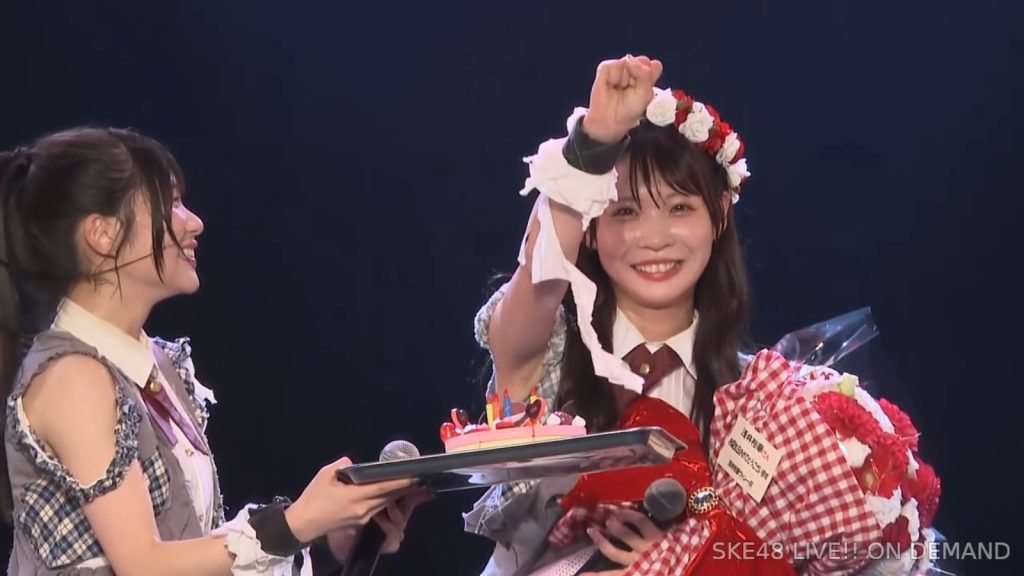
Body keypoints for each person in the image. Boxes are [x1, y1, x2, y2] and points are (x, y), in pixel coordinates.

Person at [0, 127, 431, 575]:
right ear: (102, 234)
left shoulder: (154, 365)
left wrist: (331, 530)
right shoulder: (73, 376)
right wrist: (299, 522)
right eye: (171, 203)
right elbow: (143, 566)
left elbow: (190, 549)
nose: (194, 222)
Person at [463, 54, 754, 575]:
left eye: (680, 207)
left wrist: (685, 562)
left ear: (719, 215)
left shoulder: (756, 395)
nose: (654, 238)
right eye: (625, 211)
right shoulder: (551, 353)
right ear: (591, 228)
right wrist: (594, 141)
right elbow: (540, 279)